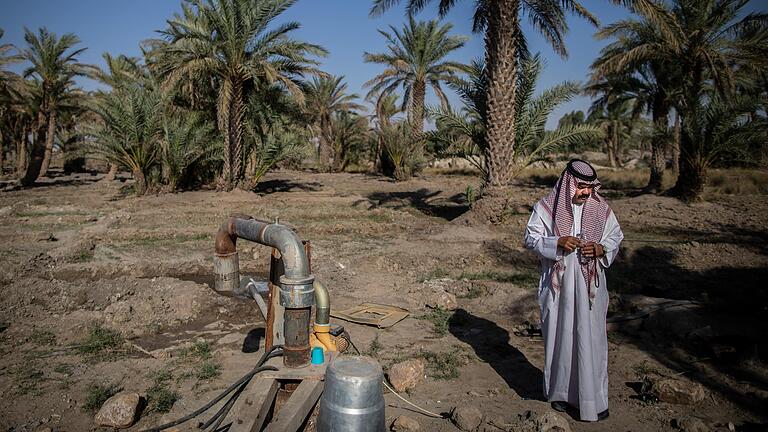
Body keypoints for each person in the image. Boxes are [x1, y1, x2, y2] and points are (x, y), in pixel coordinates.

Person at [524, 159, 624, 422]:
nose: (586, 192)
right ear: (569, 184)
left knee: (590, 340)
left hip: (590, 289)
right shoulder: (546, 208)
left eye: (589, 187)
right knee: (560, 337)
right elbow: (530, 238)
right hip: (558, 291)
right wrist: (557, 242)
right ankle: (560, 395)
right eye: (581, 187)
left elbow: (616, 237)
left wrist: (601, 248)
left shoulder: (601, 210)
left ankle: (593, 401)